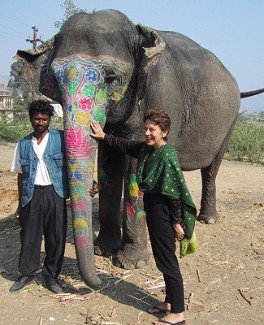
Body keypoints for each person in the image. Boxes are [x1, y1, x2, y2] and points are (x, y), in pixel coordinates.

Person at [90, 108, 197, 325]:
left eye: (153, 129)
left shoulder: (167, 155)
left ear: (164, 132)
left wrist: (177, 222)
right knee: (162, 257)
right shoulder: (147, 150)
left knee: (167, 259)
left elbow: (174, 192)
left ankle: (178, 312)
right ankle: (168, 302)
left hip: (164, 210)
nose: (147, 133)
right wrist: (104, 137)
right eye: (146, 129)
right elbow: (127, 145)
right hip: (154, 206)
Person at [9, 100, 69, 294]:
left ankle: (51, 276)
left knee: (56, 237)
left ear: (49, 119)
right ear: (31, 119)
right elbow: (20, 174)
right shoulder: (23, 144)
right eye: (37, 118)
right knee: (29, 237)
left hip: (55, 193)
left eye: (44, 119)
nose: (40, 122)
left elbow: (74, 165)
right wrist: (20, 203)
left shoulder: (61, 139)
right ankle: (27, 273)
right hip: (31, 194)